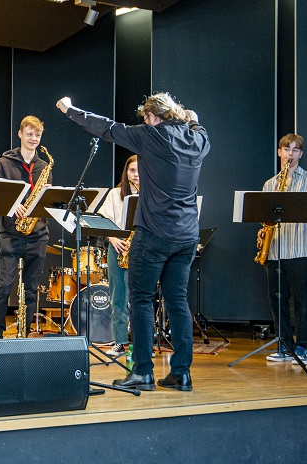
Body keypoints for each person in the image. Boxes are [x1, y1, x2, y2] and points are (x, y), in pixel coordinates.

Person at [57, 93, 209, 392]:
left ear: (152, 117)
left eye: (146, 118)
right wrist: (192, 120)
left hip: (154, 233)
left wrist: (70, 110)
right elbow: (199, 127)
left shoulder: (151, 136)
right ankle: (181, 373)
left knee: (140, 300)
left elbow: (108, 128)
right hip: (187, 236)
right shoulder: (197, 139)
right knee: (177, 302)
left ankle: (142, 372)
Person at [262, 134, 307, 366]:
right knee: (277, 301)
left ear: (301, 154)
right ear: (279, 152)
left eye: (295, 150)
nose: (290, 153)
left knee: (303, 302)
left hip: (302, 249)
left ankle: (303, 347)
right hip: (276, 251)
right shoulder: (269, 184)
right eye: (286, 149)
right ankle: (284, 345)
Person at [0, 116, 51, 339]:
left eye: (37, 135)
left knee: (32, 290)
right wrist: (13, 205)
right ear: (20, 134)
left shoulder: (44, 167)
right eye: (29, 134)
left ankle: (24, 332)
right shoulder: (4, 163)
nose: (33, 138)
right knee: (4, 285)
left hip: (38, 234)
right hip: (11, 233)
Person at [96, 155, 139, 357]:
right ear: (126, 172)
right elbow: (103, 220)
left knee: (141, 299)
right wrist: (113, 239)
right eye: (132, 170)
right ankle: (120, 341)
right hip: (118, 247)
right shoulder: (115, 194)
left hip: (141, 247)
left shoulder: (151, 193)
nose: (136, 175)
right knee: (118, 297)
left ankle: (142, 343)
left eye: (139, 171)